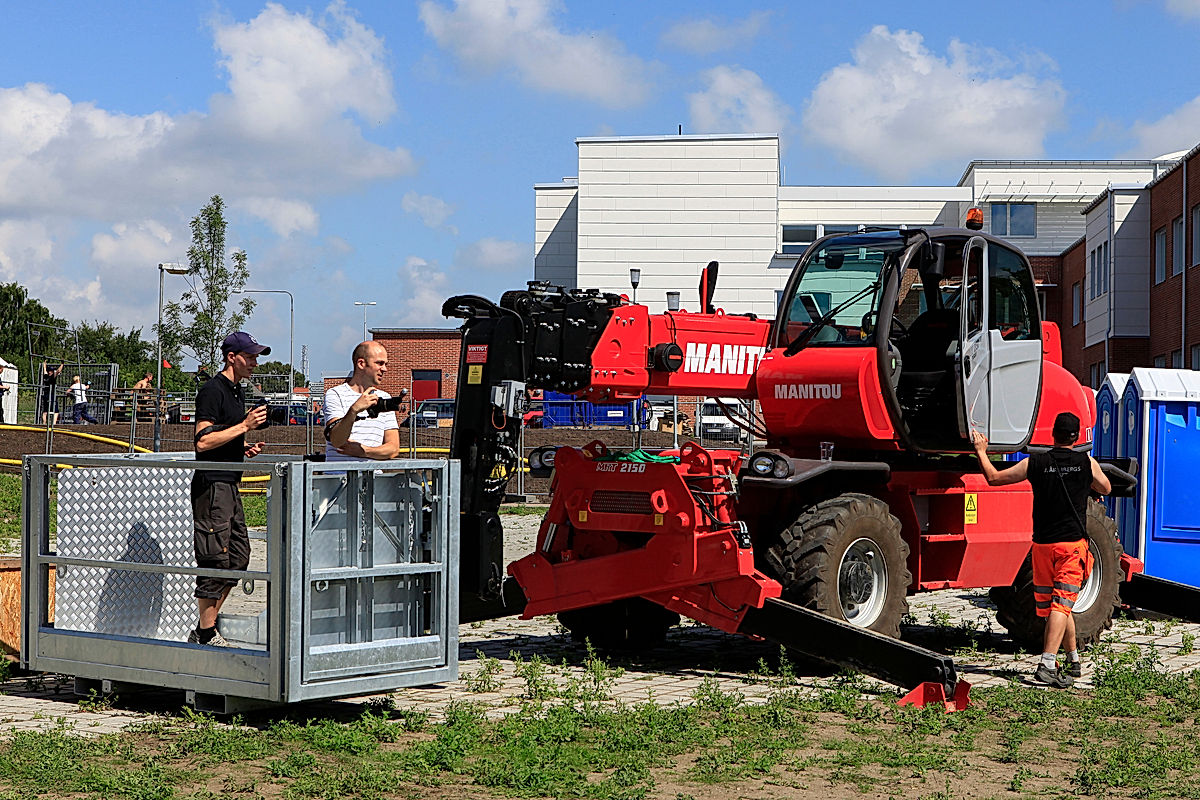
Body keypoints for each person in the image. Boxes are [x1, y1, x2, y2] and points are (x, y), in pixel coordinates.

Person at [972, 412, 1111, 689]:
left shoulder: (1035, 462)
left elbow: (993, 478)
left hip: (1042, 547)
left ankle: (1072, 661)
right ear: (1076, 438)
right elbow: (1105, 487)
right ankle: (1047, 664)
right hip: (1071, 547)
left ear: (1053, 435)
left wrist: (981, 451)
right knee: (1063, 604)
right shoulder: (1086, 462)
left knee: (1057, 607)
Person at [189, 331, 271, 647]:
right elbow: (202, 441)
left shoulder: (237, 391)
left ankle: (202, 630)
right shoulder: (212, 391)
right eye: (250, 356)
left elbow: (221, 437)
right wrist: (244, 427)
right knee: (215, 560)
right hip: (212, 487)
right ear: (231, 357)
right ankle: (208, 633)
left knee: (238, 558)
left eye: (256, 357)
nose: (255, 363)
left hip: (229, 484)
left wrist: (242, 446)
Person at [324, 341, 401, 462]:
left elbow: (393, 448)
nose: (384, 369)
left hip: (373, 479)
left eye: (385, 364)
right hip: (339, 478)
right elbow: (337, 440)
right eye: (379, 363)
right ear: (361, 363)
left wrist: (364, 451)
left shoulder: (384, 398)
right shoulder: (335, 394)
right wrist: (354, 410)